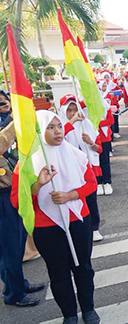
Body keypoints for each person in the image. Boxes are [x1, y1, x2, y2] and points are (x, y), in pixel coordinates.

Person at [11, 110, 100, 324]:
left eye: (59, 126)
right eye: (50, 127)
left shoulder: (76, 155)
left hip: (78, 220)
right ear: (39, 131)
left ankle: (88, 308)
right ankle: (69, 314)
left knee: (83, 268)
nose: (58, 131)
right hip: (46, 227)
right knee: (59, 273)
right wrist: (38, 184)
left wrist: (70, 195)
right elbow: (17, 200)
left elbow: (91, 184)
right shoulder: (26, 164)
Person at [0, 90, 44, 308]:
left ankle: (16, 285)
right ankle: (15, 293)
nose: (3, 106)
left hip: (10, 189)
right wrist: (16, 121)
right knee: (9, 247)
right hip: (1, 196)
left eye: (4, 102)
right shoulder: (5, 127)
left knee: (16, 243)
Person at [58, 95, 104, 242]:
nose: (72, 113)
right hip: (68, 171)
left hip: (87, 169)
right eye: (69, 110)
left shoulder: (88, 126)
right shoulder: (60, 128)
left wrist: (90, 142)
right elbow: (60, 137)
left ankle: (94, 228)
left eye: (75, 109)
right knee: (74, 201)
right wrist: (73, 121)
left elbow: (99, 150)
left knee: (91, 200)